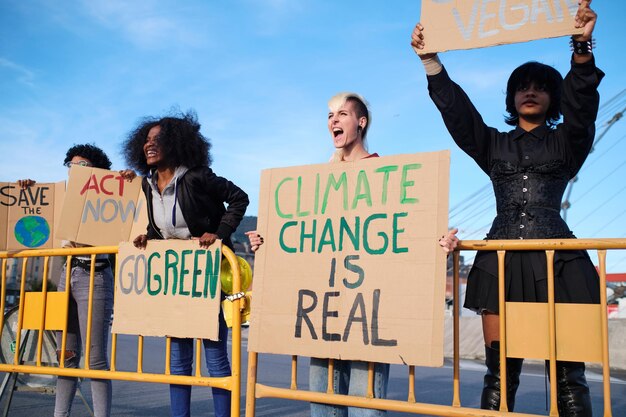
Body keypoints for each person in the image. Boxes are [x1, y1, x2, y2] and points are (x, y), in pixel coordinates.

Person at [411, 1, 602, 415]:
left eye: (540, 86)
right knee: (500, 372)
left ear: (554, 97)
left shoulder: (569, 142)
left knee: (569, 373)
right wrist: (431, 61)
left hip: (560, 264)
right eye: (521, 86)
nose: (529, 92)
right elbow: (459, 116)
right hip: (500, 261)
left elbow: (584, 106)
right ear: (512, 97)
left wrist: (582, 47)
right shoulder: (492, 143)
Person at [247, 92, 458, 417]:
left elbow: (405, 239)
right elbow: (306, 247)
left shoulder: (382, 174)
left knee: (366, 406)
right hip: (324, 315)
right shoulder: (318, 183)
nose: (334, 120)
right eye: (330, 115)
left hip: (367, 317)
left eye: (343, 114)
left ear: (360, 122)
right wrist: (268, 244)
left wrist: (438, 246)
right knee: (322, 404)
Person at [122, 110, 249, 417]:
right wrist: (146, 238)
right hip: (176, 279)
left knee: (214, 354)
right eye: (147, 140)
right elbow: (163, 228)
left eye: (158, 139)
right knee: (179, 359)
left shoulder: (197, 176)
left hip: (205, 274)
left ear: (177, 144)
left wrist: (217, 235)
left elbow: (239, 198)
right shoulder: (146, 185)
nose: (150, 145)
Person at [19, 143, 134, 417]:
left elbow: (131, 214)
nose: (74, 169)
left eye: (81, 165)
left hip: (94, 275)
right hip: (64, 275)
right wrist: (30, 190)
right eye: (70, 165)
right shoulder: (62, 196)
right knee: (66, 356)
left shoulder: (111, 195)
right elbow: (38, 210)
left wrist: (127, 182)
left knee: (95, 359)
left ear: (96, 169)